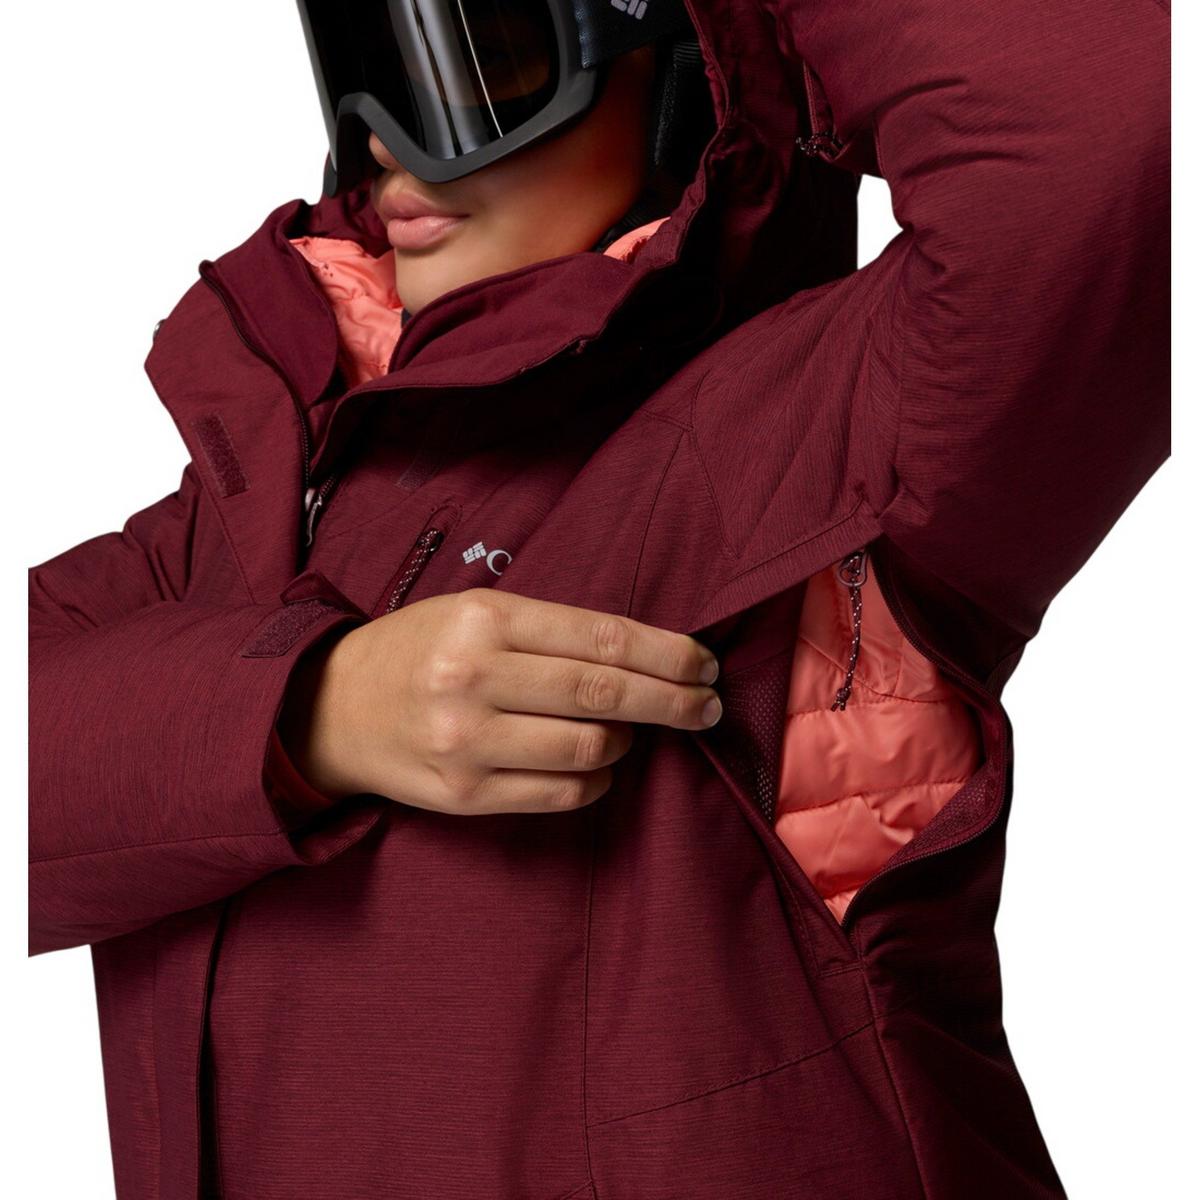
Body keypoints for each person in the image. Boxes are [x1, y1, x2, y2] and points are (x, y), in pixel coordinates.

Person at [27, 1, 1169, 1197]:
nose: (382, 143)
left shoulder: (829, 426)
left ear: (684, 70)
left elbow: (1112, 127)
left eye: (482, 61)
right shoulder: (259, 508)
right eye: (364, 69)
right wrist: (320, 709)